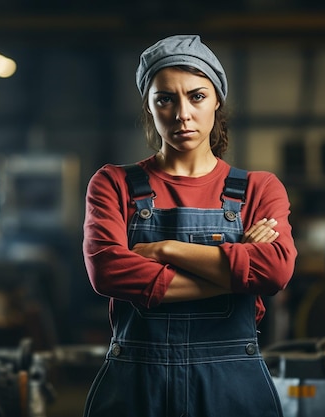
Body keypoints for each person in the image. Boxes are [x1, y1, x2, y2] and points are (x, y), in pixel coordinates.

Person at [82, 34, 297, 417]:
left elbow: (275, 271)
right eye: (165, 98)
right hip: (137, 389)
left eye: (197, 96)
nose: (182, 113)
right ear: (149, 106)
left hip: (232, 388)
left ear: (217, 100)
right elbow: (109, 272)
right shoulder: (112, 183)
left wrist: (166, 250)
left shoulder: (258, 189)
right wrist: (236, 276)